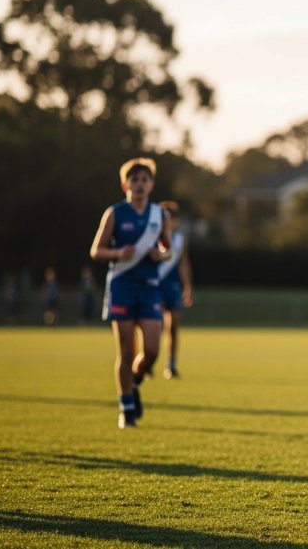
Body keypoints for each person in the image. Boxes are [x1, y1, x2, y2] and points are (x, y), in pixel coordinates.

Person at [90, 157, 172, 428]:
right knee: (126, 350)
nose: (139, 184)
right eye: (134, 179)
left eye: (144, 180)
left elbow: (167, 249)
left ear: (151, 185)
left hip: (149, 289)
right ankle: (126, 407)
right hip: (122, 287)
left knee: (151, 350)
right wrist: (117, 253)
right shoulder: (114, 213)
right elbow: (96, 250)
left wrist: (159, 255)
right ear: (125, 184)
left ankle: (134, 382)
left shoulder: (160, 215)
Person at [157, 200, 194, 379]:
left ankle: (171, 365)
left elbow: (183, 263)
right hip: (154, 285)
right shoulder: (152, 237)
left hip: (172, 286)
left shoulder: (179, 239)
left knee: (172, 327)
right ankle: (147, 362)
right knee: (153, 326)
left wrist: (187, 287)